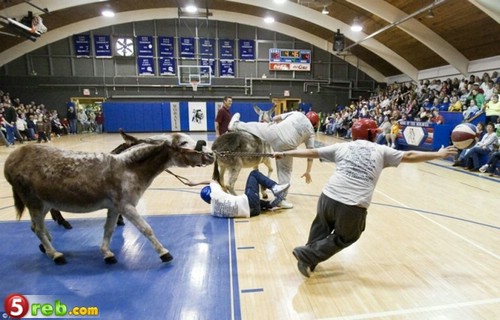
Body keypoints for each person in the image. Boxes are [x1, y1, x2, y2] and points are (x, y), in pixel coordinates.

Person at [273, 118, 457, 278]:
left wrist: (286, 153)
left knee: (321, 226)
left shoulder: (342, 146)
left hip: (328, 197)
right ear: (371, 134)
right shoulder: (381, 150)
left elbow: (312, 152)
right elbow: (409, 155)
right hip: (352, 204)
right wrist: (438, 154)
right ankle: (307, 255)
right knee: (348, 235)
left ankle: (307, 260)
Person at [228, 110, 315, 209]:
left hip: (275, 132)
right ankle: (280, 199)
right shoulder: (311, 132)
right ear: (315, 124)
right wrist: (308, 171)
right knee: (285, 171)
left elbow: (275, 118)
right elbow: (310, 154)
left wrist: (272, 123)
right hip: (287, 147)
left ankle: (235, 125)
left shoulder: (298, 114)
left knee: (258, 127)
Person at [188, 169, 290, 218]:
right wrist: (195, 183)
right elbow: (213, 181)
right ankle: (275, 187)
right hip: (250, 202)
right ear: (210, 193)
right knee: (254, 174)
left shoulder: (213, 211)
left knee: (241, 201)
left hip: (253, 212)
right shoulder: (215, 193)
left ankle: (269, 205)